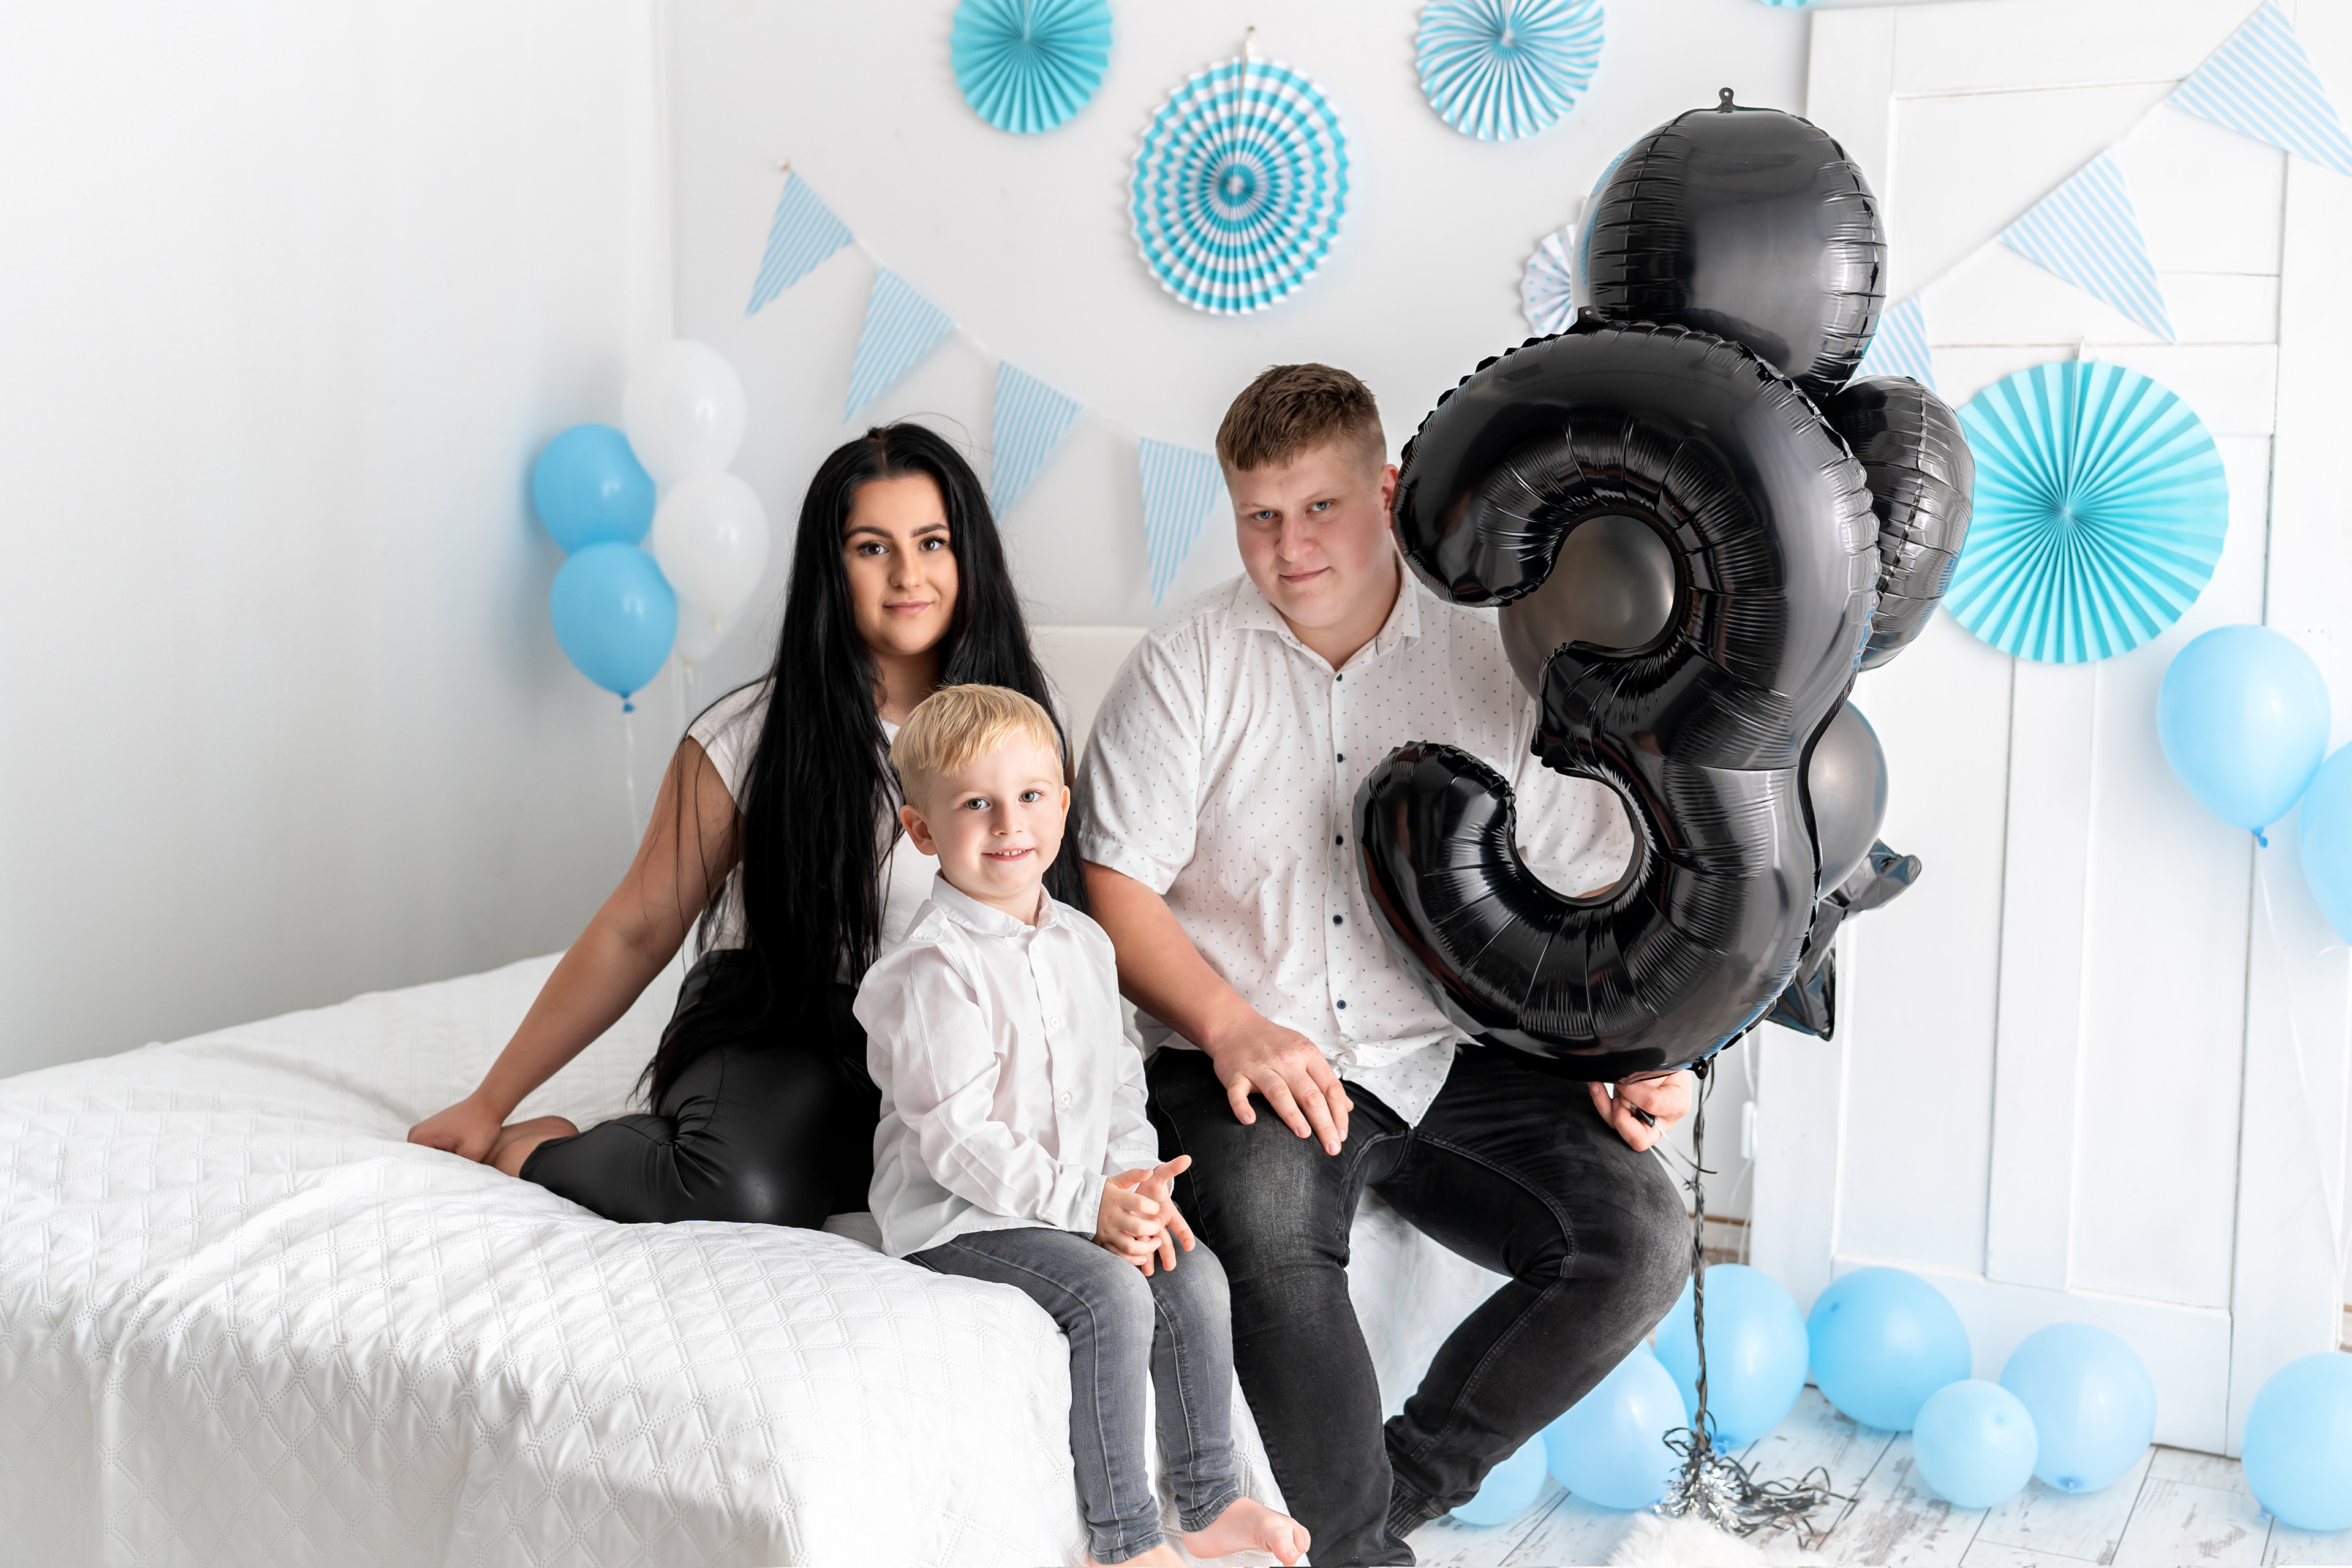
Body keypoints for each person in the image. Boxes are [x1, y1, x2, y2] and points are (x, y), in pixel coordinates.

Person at [1076, 364, 1698, 1564]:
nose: (1289, 545)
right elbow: (1114, 885)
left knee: (1640, 1239)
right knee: (1266, 1224)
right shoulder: (1186, 665)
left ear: (1387, 490)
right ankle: (1358, 1553)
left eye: (1320, 506)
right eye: (1260, 515)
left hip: (1448, 1053)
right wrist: (1229, 1025)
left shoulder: (1495, 653)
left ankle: (1384, 1501)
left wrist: (1632, 1054)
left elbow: (1590, 881)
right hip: (1249, 1058)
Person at [407, 423, 1081, 1227]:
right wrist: (490, 1103)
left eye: (931, 542)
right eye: (872, 548)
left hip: (946, 1027)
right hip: (782, 1017)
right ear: (831, 567)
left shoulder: (1031, 725)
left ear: (969, 555)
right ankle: (542, 1149)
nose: (908, 574)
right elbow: (635, 929)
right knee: (747, 1191)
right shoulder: (750, 735)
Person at [856, 685, 1307, 1568]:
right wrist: (1085, 1206)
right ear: (921, 831)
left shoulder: (1085, 944)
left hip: (1077, 1198)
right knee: (1111, 1293)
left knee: (1190, 1270)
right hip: (960, 1216)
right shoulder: (931, 970)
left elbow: (1115, 1087)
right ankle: (1124, 1540)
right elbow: (957, 1142)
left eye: (1030, 796)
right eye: (974, 804)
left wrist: (1133, 1187)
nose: (1008, 824)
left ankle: (1210, 1501)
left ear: (1062, 807)